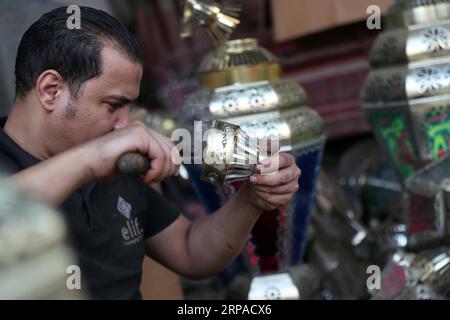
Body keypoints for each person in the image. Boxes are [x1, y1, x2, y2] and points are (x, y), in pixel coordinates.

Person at [0, 6, 302, 299]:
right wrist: (92, 159)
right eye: (113, 105)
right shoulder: (98, 155)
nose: (125, 125)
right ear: (51, 90)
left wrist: (251, 199)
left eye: (129, 106)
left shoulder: (116, 160)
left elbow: (189, 251)